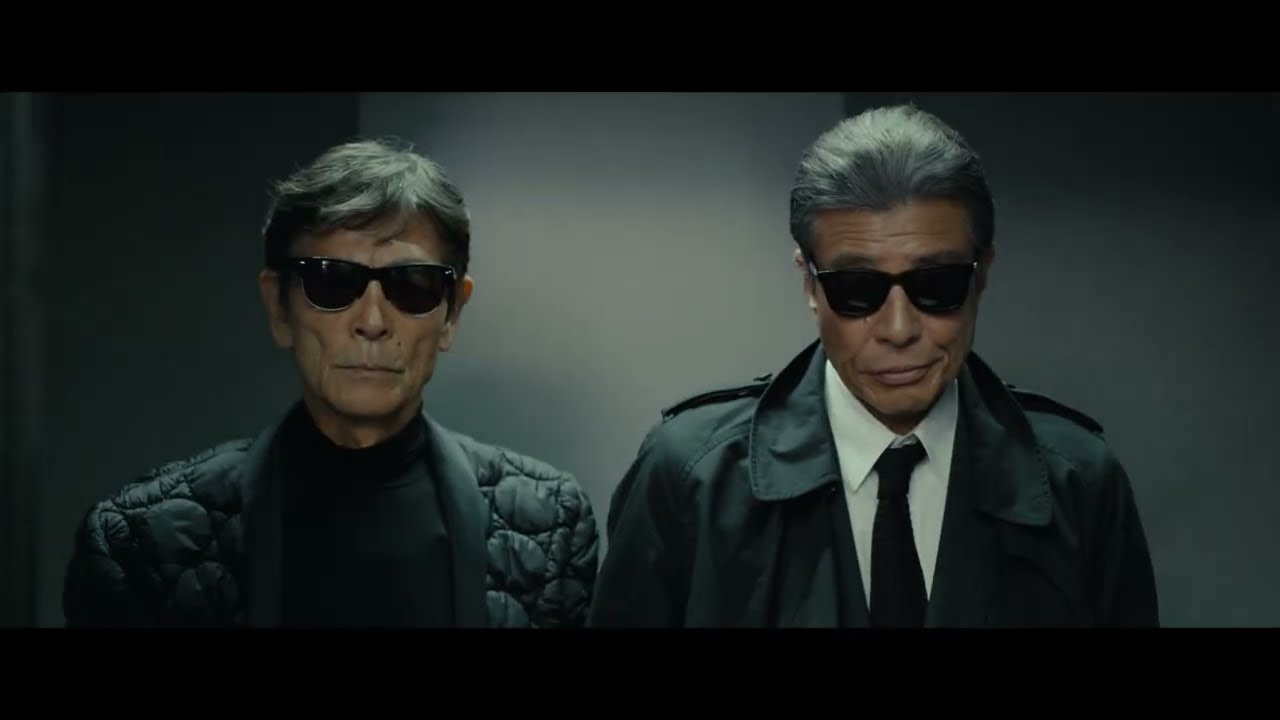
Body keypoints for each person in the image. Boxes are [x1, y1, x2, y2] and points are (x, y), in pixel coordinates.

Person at [588, 105, 1158, 628]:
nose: (899, 328)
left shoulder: (1080, 483)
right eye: (858, 290)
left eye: (937, 284)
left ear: (982, 274)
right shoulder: (690, 478)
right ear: (809, 284)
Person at [62, 139, 599, 628]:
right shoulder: (141, 543)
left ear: (452, 314)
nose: (372, 320)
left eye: (412, 285)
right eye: (332, 281)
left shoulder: (551, 527)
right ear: (279, 306)